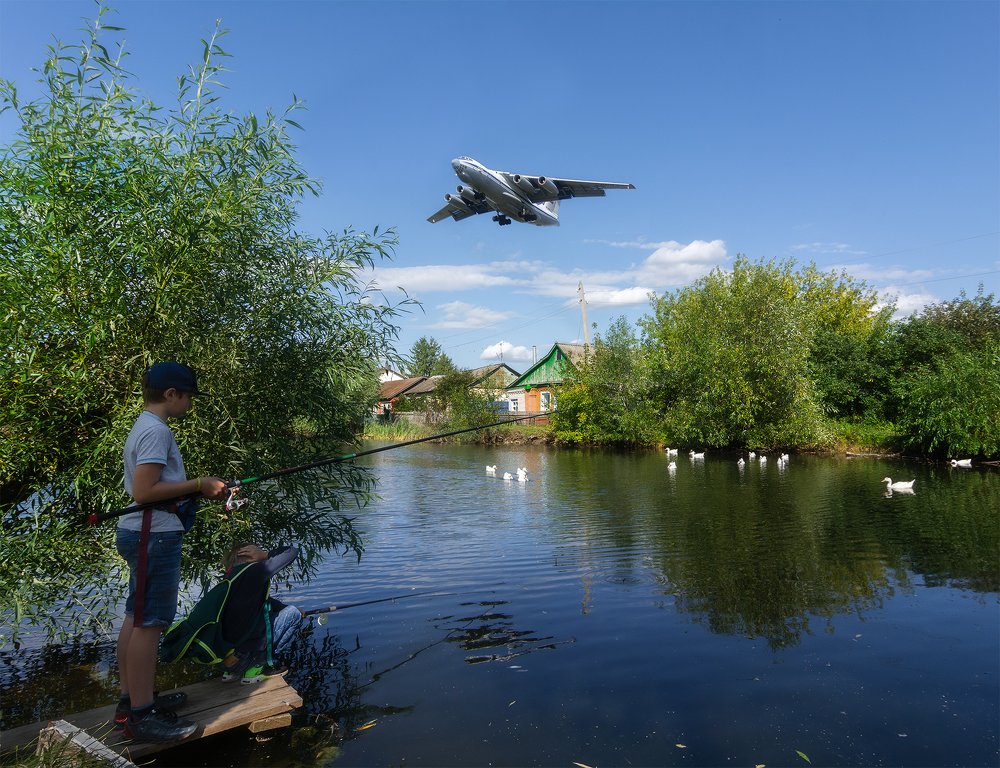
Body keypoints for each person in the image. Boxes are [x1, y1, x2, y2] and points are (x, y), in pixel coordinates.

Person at [115, 361, 228, 742]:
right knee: (150, 623)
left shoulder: (145, 426)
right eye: (189, 396)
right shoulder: (156, 432)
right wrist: (198, 483)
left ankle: (131, 702)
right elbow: (143, 492)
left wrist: (195, 488)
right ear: (171, 395)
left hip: (144, 533)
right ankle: (142, 717)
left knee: (136, 616)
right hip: (153, 536)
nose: (190, 404)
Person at [218, 543, 303, 683]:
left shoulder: (230, 579)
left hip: (225, 660)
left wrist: (283, 607)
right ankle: (256, 668)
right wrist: (264, 554)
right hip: (243, 658)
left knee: (249, 628)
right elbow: (291, 551)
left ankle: (231, 674)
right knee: (293, 614)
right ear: (250, 558)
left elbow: (265, 601)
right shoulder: (253, 573)